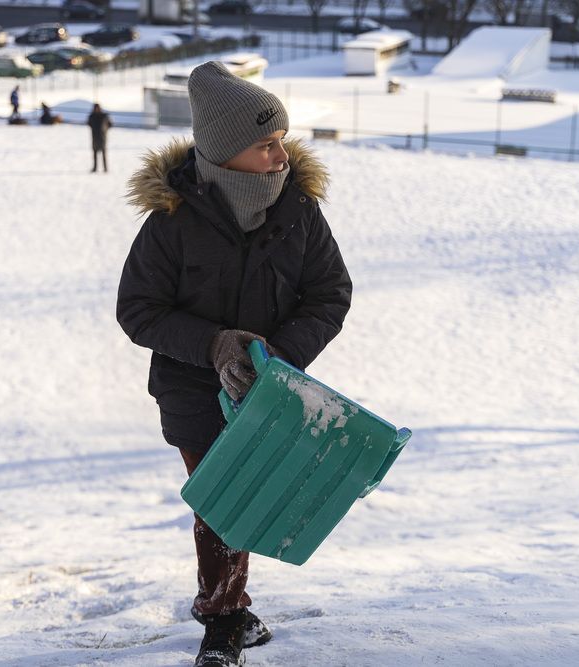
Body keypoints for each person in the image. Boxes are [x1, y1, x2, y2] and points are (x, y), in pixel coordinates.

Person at [116, 61, 352, 667]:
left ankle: (232, 611)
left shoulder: (299, 211)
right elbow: (138, 310)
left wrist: (278, 357)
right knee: (221, 500)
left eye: (281, 140)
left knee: (253, 498)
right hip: (193, 390)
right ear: (224, 153)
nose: (281, 155)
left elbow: (330, 294)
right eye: (266, 144)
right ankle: (223, 619)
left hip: (271, 392)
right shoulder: (171, 221)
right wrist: (215, 345)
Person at [86, 102, 111, 172]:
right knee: (95, 154)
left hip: (102, 137)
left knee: (104, 154)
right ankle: (95, 168)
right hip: (95, 137)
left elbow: (110, 124)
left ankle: (105, 168)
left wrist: (104, 130)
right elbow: (89, 123)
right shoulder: (92, 116)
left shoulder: (104, 116)